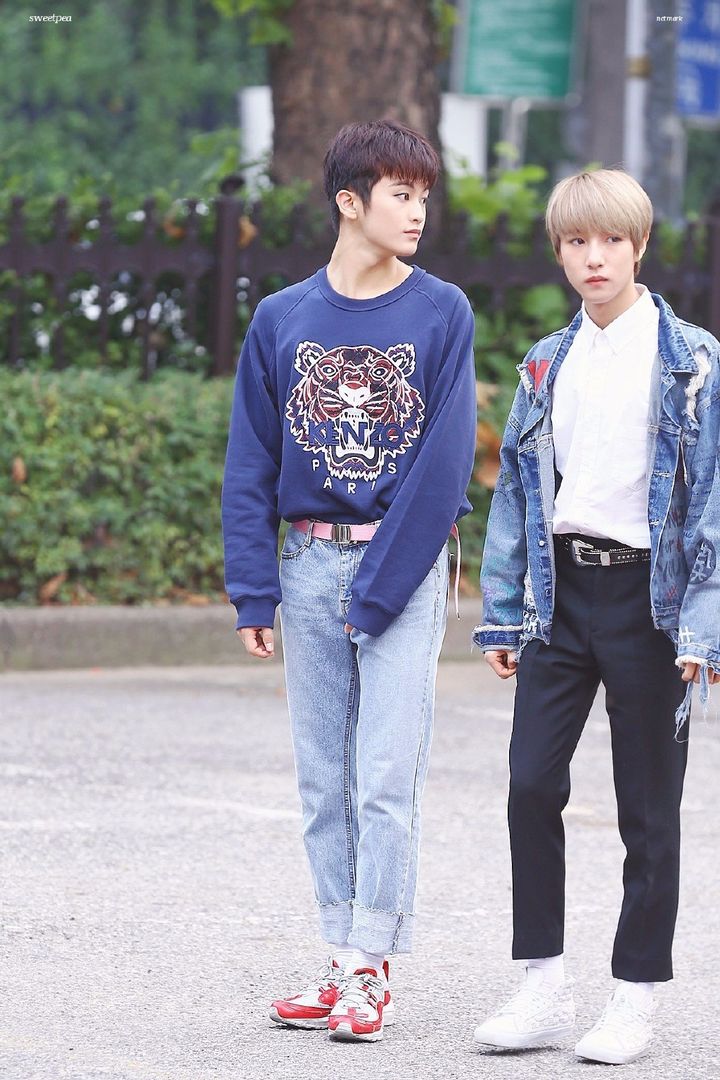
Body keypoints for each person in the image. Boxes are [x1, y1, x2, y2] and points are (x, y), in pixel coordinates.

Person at [221, 119, 477, 1043]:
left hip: (401, 566)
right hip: (306, 562)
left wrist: (377, 593)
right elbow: (251, 460)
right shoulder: (282, 319)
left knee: (384, 775)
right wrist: (253, 587)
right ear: (349, 202)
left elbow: (445, 467)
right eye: (401, 194)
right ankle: (340, 960)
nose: (417, 211)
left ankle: (372, 967)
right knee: (323, 781)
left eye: (423, 195)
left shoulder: (441, 311)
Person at [473, 168, 720, 1065]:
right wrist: (504, 613)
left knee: (647, 809)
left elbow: (713, 502)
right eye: (577, 242)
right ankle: (541, 986)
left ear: (639, 246)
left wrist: (704, 627)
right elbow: (517, 495)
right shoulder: (548, 360)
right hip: (562, 597)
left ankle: (634, 997)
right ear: (560, 252)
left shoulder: (693, 360)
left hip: (652, 603)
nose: (594, 257)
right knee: (530, 786)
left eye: (611, 240)